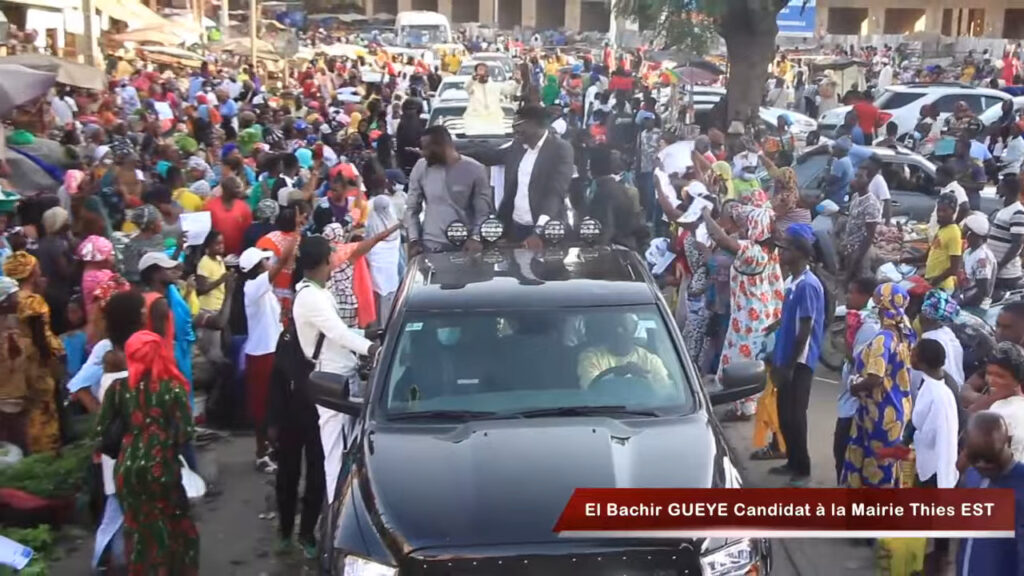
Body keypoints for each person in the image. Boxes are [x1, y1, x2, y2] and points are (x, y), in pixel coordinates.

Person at [95, 329, 198, 575]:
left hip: (127, 468)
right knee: (170, 525)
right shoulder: (172, 388)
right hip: (162, 466)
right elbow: (185, 432)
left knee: (137, 531)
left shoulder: (117, 389)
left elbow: (101, 431)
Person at [291, 235, 379, 504]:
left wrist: (367, 335)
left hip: (341, 372)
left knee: (348, 449)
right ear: (324, 260)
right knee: (336, 453)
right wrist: (372, 349)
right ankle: (336, 508)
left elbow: (338, 332)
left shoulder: (318, 292)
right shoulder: (310, 298)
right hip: (331, 378)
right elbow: (338, 334)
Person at [703, 205, 784, 419]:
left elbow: (722, 241)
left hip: (749, 317)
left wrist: (705, 215)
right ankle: (745, 405)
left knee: (742, 362)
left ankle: (744, 408)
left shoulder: (753, 253)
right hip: (761, 312)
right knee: (750, 359)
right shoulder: (770, 250)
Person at [841, 283, 915, 488]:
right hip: (897, 410)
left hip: (880, 413)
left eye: (875, 302)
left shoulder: (884, 338)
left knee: (876, 469)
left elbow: (875, 378)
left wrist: (854, 386)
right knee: (888, 466)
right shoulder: (904, 334)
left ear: (882, 306)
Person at [771, 223, 825, 486]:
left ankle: (802, 467)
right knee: (784, 414)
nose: (781, 253)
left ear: (801, 253)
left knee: (795, 415)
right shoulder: (792, 282)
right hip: (785, 357)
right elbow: (791, 319)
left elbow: (805, 329)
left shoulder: (808, 285)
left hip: (799, 361)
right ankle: (792, 461)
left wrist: (790, 365)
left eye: (787, 249)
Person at [240, 242, 296, 472]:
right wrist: (291, 245)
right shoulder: (253, 287)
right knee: (263, 408)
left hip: (272, 352)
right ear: (258, 266)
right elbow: (279, 266)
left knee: (275, 404)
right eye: (264, 261)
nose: (268, 263)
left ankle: (272, 447)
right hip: (261, 355)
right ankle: (261, 454)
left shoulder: (263, 290)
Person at [3, 251, 63, 454]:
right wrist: (50, 358)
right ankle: (44, 450)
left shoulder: (7, 299)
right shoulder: (32, 301)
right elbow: (41, 337)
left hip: (11, 362)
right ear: (31, 273)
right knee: (42, 406)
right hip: (34, 361)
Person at [406, 126, 492, 255]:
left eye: (427, 148)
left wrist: (476, 238)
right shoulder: (421, 167)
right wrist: (414, 240)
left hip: (465, 246)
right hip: (431, 245)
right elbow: (412, 208)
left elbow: (483, 212)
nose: (424, 153)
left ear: (443, 146)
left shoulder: (475, 169)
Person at [957, 411, 1024, 575]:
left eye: (989, 457)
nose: (982, 465)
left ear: (1008, 442)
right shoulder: (971, 476)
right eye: (975, 458)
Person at [498, 104, 574, 248]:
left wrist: (539, 230)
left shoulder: (560, 148)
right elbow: (491, 154)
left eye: (517, 125)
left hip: (546, 231)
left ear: (532, 124)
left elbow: (556, 192)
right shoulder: (517, 146)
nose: (514, 130)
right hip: (516, 229)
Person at [836, 276, 880, 483]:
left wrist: (848, 339)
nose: (847, 296)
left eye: (851, 292)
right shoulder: (863, 322)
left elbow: (858, 363)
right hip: (850, 399)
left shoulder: (869, 326)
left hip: (854, 403)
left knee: (842, 451)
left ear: (865, 297)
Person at [901, 338, 960, 488]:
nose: (910, 354)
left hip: (936, 469)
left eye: (913, 353)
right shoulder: (930, 384)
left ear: (922, 363)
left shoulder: (939, 394)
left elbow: (942, 436)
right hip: (927, 461)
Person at [577, 312, 670, 391]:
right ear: (607, 330)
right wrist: (617, 371)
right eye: (615, 327)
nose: (619, 331)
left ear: (634, 330)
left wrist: (645, 379)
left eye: (624, 328)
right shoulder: (591, 357)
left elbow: (665, 393)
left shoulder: (651, 361)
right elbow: (591, 389)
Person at [591, 145, 648, 251]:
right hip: (628, 244)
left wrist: (600, 247)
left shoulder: (604, 192)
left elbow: (608, 227)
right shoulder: (623, 190)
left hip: (616, 248)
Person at [0, 277, 29, 451]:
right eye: (14, 296)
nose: (18, 300)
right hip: (7, 400)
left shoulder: (14, 322)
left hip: (17, 396)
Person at [363, 196, 402, 324]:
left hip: (377, 270)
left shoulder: (372, 223)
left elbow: (369, 246)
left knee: (378, 299)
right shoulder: (394, 224)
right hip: (390, 271)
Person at [36, 206, 74, 335]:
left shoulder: (42, 242)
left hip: (47, 292)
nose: (69, 223)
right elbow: (65, 272)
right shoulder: (57, 244)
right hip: (59, 294)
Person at [841, 166, 882, 282]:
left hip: (861, 250)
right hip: (850, 247)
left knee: (860, 282)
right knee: (848, 280)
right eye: (856, 176)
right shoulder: (856, 196)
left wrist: (858, 256)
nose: (856, 180)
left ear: (868, 180)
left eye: (860, 177)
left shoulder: (871, 204)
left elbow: (869, 235)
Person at [989, 176, 1024, 292]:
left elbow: (1017, 244)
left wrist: (1000, 265)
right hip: (997, 270)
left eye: (1000, 185)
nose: (997, 187)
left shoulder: (1018, 212)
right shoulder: (1005, 209)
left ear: (1007, 189)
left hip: (1007, 275)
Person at [924, 193, 963, 293]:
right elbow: (925, 257)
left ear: (953, 212)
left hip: (942, 287)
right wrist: (901, 260)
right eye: (939, 210)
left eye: (944, 211)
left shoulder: (954, 232)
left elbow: (954, 268)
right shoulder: (942, 229)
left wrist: (934, 282)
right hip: (932, 281)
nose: (940, 214)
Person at [205, 176, 253, 257]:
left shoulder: (244, 207)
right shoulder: (210, 207)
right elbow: (207, 232)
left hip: (238, 254)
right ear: (226, 190)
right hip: (216, 254)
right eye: (235, 188)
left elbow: (247, 230)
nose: (239, 190)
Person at [121, 205, 167, 284]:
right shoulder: (131, 247)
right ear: (152, 225)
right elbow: (132, 276)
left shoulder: (157, 239)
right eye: (160, 221)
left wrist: (179, 247)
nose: (162, 224)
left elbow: (166, 265)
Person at [961, 213, 997, 311]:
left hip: (977, 306)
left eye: (966, 231)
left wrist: (960, 302)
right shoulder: (969, 252)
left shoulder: (982, 258)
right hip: (966, 298)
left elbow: (982, 292)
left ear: (972, 234)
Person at [946, 137, 987, 211]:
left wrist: (959, 184)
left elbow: (981, 185)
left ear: (966, 148)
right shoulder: (950, 162)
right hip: (953, 199)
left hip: (970, 199)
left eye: (957, 147)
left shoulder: (976, 163)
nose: (955, 149)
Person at [196, 230, 229, 314]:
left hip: (219, 306)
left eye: (222, 243)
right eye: (217, 244)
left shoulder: (220, 260)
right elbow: (201, 289)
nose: (221, 246)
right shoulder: (204, 262)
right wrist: (220, 280)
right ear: (209, 246)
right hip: (208, 308)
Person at [825, 138, 854, 205]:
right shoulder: (847, 160)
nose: (832, 149)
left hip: (835, 200)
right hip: (842, 198)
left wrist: (828, 165)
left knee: (818, 209)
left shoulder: (841, 163)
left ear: (840, 150)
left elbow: (829, 180)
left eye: (834, 148)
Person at [863, 158, 892, 223]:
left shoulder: (878, 180)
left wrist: (887, 222)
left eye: (870, 164)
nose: (867, 165)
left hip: (873, 218)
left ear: (876, 167)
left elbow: (887, 200)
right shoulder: (865, 177)